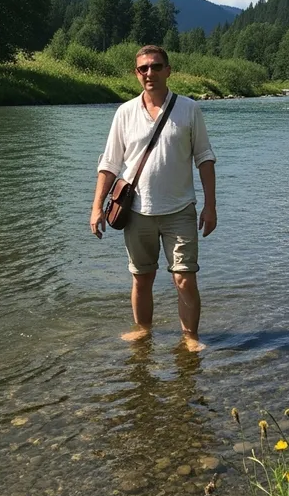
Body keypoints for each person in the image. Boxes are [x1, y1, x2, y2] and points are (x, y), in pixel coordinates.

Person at [90, 45, 217, 351]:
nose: (150, 73)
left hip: (180, 210)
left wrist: (210, 206)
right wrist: (96, 208)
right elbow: (109, 164)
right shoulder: (125, 112)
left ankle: (190, 338)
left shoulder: (189, 109)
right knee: (141, 278)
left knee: (185, 279)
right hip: (136, 211)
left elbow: (205, 158)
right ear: (137, 73)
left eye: (156, 66)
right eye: (143, 68)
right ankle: (143, 332)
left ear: (168, 70)